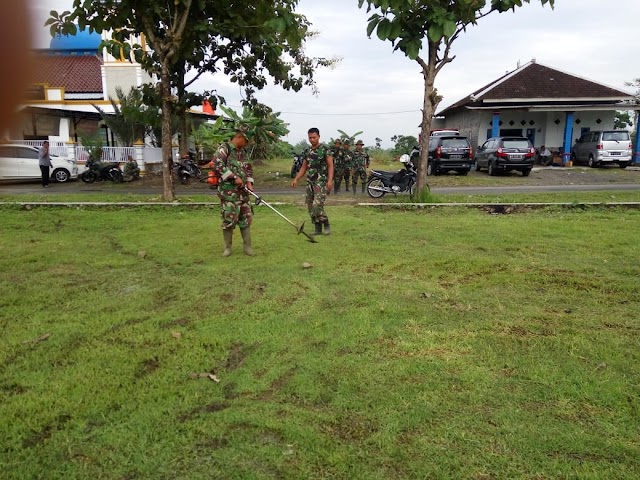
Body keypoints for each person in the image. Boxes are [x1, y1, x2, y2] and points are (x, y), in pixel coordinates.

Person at [211, 125, 256, 257]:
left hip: (243, 193)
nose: (247, 144)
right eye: (246, 141)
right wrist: (233, 177)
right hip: (229, 193)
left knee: (246, 218)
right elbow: (216, 164)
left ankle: (248, 247)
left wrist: (249, 182)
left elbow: (248, 168)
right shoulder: (224, 149)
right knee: (229, 219)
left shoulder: (243, 152)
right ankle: (228, 248)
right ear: (239, 137)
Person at [291, 127, 334, 235]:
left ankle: (326, 223)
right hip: (310, 182)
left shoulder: (325, 149)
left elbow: (330, 166)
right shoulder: (307, 151)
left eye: (314, 137)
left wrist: (330, 181)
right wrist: (296, 178)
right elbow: (304, 167)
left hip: (321, 182)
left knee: (317, 205)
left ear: (319, 136)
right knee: (310, 206)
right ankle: (318, 228)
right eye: (310, 138)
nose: (312, 140)